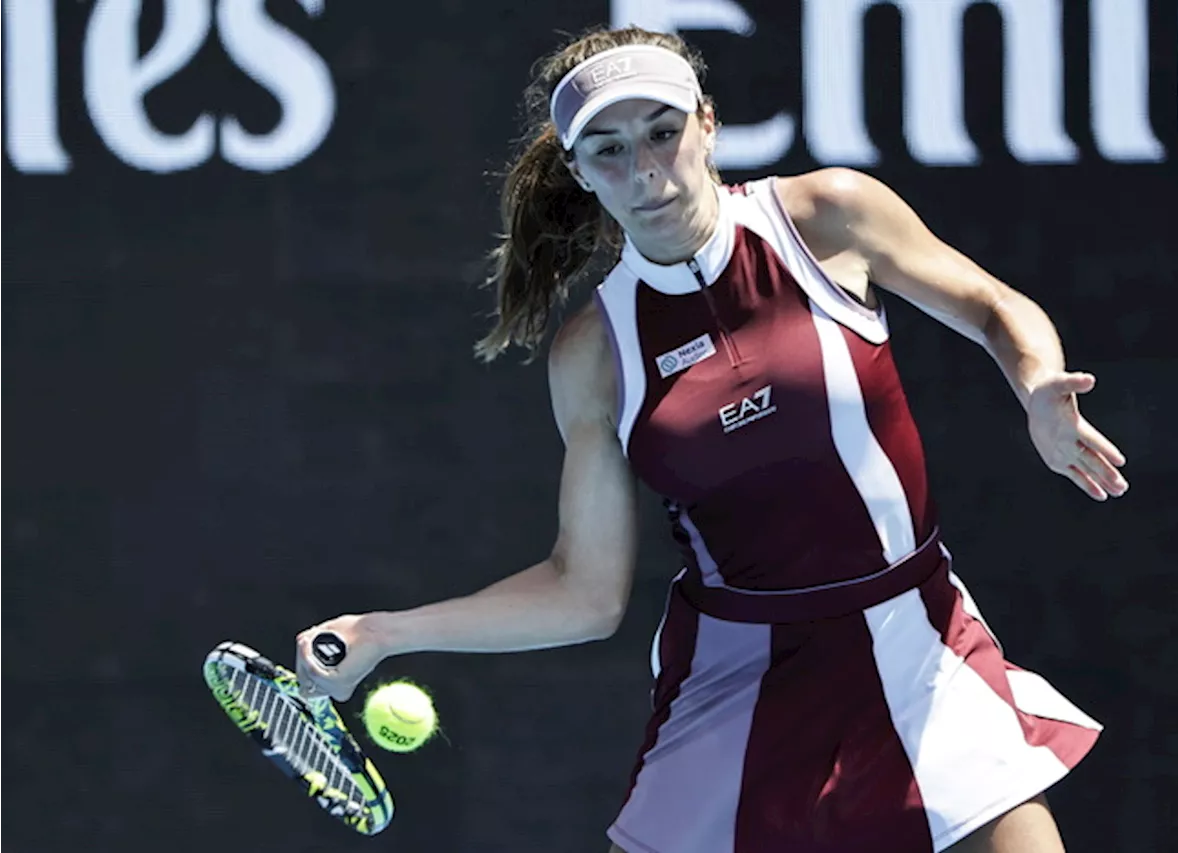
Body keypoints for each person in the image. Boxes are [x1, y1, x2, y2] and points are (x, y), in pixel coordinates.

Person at [295, 24, 1129, 853]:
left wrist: (1037, 388)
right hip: (737, 675)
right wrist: (386, 631)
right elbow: (584, 592)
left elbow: (991, 307)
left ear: (707, 124)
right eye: (610, 151)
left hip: (920, 638)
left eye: (663, 132)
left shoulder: (827, 216)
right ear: (581, 173)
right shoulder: (595, 352)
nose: (646, 169)